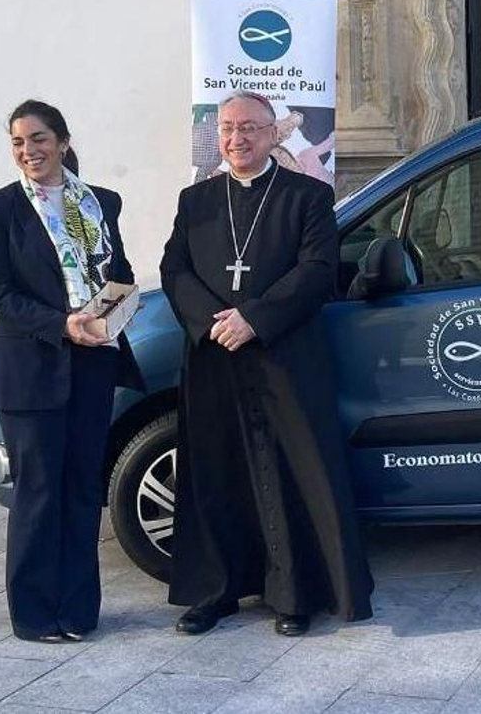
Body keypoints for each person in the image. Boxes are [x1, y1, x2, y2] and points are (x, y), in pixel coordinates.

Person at [159, 90, 373, 637]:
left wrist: (254, 318)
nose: (237, 138)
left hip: (284, 355)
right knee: (215, 474)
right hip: (214, 356)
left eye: (250, 127)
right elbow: (174, 269)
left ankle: (293, 596)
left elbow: (318, 268)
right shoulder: (196, 201)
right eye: (228, 128)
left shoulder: (307, 195)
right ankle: (215, 591)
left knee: (290, 470)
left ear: (274, 133)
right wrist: (213, 321)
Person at [0, 99, 143, 643]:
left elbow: (119, 271)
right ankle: (34, 614)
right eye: (18, 142)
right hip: (31, 366)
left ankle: (78, 610)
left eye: (39, 139)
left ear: (63, 142)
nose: (29, 151)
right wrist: (62, 324)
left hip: (93, 362)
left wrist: (118, 307)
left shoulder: (102, 203)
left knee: (81, 489)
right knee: (39, 493)